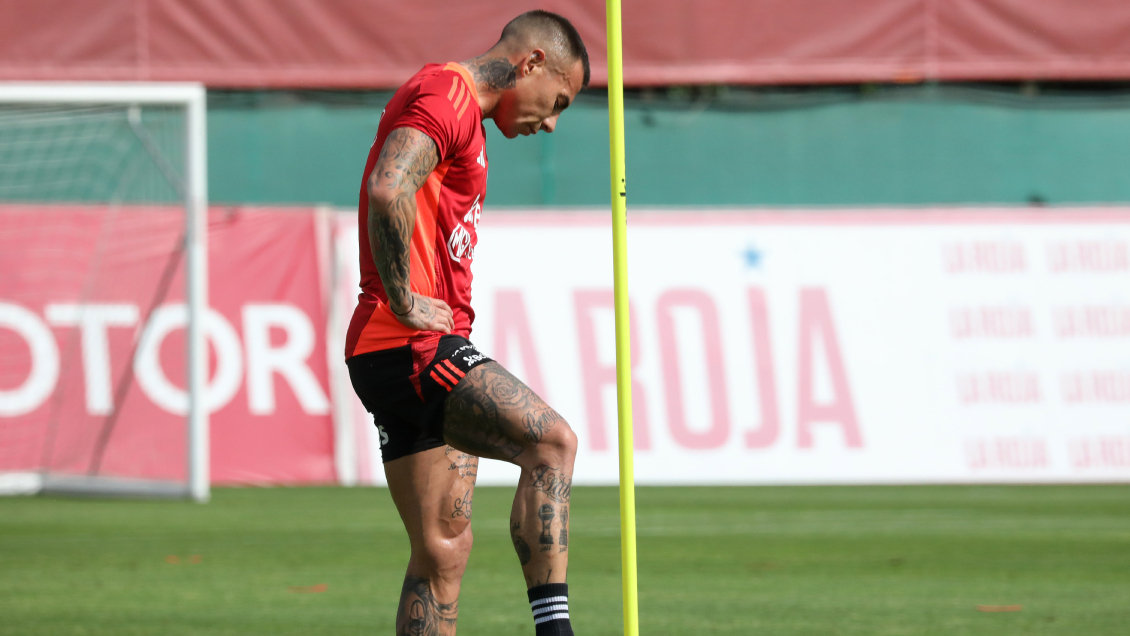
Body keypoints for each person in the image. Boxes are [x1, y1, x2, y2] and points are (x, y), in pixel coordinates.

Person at [344, 10, 590, 636]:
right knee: (552, 444)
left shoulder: (463, 115)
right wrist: (404, 299)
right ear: (532, 62)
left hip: (391, 349)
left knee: (442, 553)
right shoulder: (448, 96)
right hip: (413, 344)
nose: (551, 123)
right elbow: (388, 187)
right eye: (557, 101)